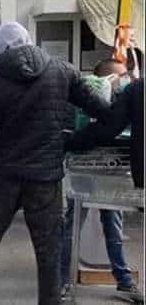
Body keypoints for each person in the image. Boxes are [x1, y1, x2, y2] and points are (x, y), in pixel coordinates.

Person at [0, 21, 110, 305]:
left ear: (0, 50)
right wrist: (75, 141)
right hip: (46, 180)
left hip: (5, 179)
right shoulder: (62, 71)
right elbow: (103, 111)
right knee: (48, 256)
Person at [59, 59, 143, 302]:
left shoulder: (128, 95)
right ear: (105, 79)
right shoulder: (86, 99)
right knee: (73, 224)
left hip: (111, 171)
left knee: (112, 224)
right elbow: (105, 128)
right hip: (87, 169)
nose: (125, 79)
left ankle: (123, 280)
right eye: (120, 75)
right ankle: (62, 280)